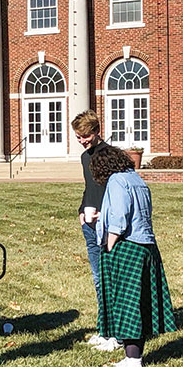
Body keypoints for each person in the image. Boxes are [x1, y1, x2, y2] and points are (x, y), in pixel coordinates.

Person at [91, 146, 177, 367]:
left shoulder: (117, 181)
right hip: (147, 246)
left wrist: (109, 245)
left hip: (127, 246)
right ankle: (132, 357)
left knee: (128, 303)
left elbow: (120, 217)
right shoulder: (136, 179)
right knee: (140, 302)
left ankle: (133, 361)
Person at [72, 110, 120, 352]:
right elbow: (89, 188)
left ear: (97, 131)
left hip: (108, 225)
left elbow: (119, 191)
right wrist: (82, 211)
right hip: (89, 226)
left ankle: (118, 334)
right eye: (79, 137)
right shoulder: (84, 158)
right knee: (99, 280)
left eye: (85, 136)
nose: (82, 141)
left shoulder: (111, 156)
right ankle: (105, 330)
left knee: (111, 279)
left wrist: (107, 215)